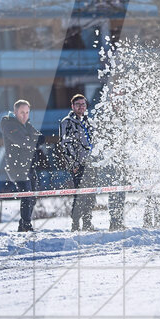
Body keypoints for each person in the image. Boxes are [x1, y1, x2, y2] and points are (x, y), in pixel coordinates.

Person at [58, 94, 97, 231]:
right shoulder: (67, 122)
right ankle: (75, 224)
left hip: (91, 163)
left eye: (83, 104)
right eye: (78, 104)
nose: (81, 107)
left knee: (91, 195)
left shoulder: (89, 121)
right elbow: (65, 144)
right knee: (80, 194)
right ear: (72, 106)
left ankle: (87, 222)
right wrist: (73, 164)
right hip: (78, 164)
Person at [1, 100, 40, 231]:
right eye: (22, 112)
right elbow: (21, 141)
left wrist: (30, 139)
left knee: (33, 197)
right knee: (27, 196)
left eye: (27, 112)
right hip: (16, 167)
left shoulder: (27, 126)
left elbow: (41, 138)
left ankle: (23, 224)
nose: (25, 115)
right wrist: (30, 139)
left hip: (30, 166)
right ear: (16, 112)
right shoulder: (8, 124)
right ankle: (26, 225)